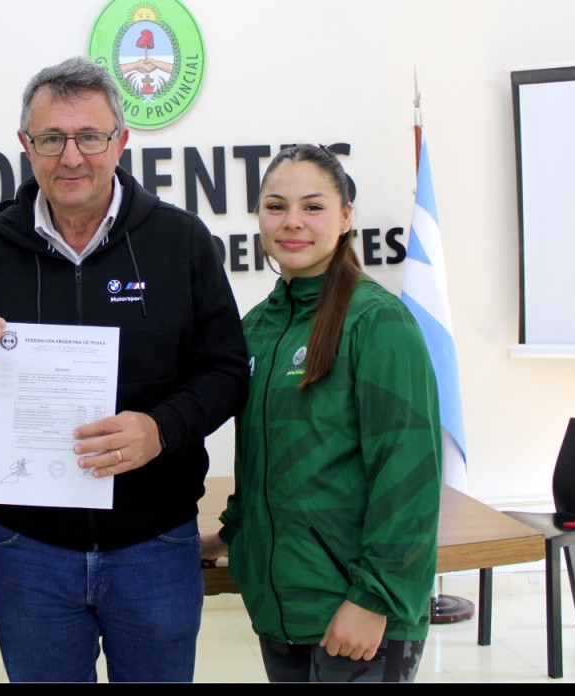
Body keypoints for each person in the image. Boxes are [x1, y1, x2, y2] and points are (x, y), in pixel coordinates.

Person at [0, 55, 249, 683]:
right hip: (30, 551)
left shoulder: (181, 241)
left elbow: (227, 372)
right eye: (51, 139)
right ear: (26, 146)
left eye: (89, 137)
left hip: (155, 543)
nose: (71, 157)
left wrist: (161, 429)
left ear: (120, 142)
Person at [200, 144, 442, 683]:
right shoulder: (257, 327)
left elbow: (409, 479)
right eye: (275, 206)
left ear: (346, 216)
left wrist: (373, 600)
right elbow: (265, 461)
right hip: (282, 608)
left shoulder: (378, 324)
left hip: (356, 614)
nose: (292, 223)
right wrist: (231, 534)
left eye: (312, 207)